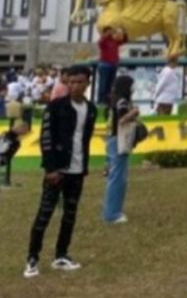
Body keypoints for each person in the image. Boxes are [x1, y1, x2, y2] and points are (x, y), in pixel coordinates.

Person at [24, 65, 98, 277]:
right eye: (70, 82)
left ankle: (61, 255)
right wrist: (50, 168)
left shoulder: (91, 109)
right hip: (57, 170)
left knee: (70, 215)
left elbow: (85, 139)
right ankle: (32, 258)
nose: (74, 86)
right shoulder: (56, 107)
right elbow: (46, 138)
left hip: (77, 170)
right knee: (44, 214)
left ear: (87, 83)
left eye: (79, 82)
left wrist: (83, 166)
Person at [102, 75, 139, 224]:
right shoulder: (122, 102)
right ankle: (112, 214)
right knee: (118, 178)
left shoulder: (113, 100)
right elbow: (122, 120)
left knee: (116, 176)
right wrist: (134, 112)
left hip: (112, 140)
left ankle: (112, 211)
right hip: (119, 140)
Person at [96, 26, 125, 110]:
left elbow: (122, 40)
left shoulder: (114, 41)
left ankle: (108, 102)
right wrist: (106, 34)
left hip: (113, 65)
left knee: (110, 86)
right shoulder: (104, 41)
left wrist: (120, 31)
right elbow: (100, 42)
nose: (111, 33)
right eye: (109, 31)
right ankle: (101, 103)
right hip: (105, 65)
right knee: (103, 85)